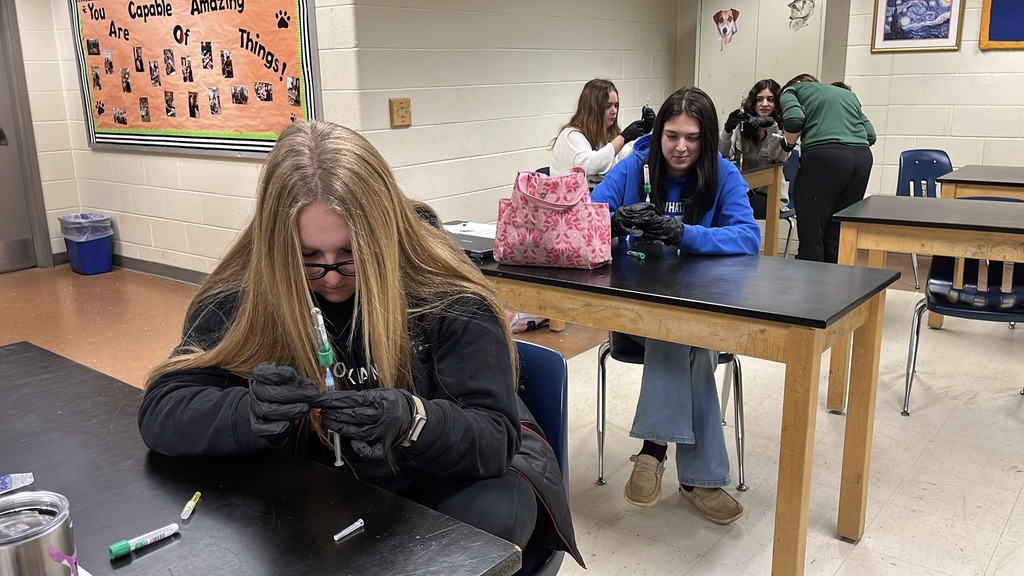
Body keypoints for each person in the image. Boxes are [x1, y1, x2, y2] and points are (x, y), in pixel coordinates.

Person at [137, 120, 584, 571]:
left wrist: (414, 420)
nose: (331, 276)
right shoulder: (251, 288)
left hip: (447, 476)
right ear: (277, 245)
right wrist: (249, 412)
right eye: (309, 257)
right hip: (323, 487)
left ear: (381, 234)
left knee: (483, 527)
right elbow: (163, 411)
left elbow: (491, 439)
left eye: (350, 254)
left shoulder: (446, 293)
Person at [591, 87, 760, 524]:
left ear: (706, 139)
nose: (681, 147)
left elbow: (748, 237)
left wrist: (685, 234)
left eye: (692, 137)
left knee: (685, 334)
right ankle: (699, 480)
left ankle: (653, 449)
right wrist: (612, 221)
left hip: (699, 316)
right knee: (681, 334)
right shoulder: (633, 168)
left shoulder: (724, 175)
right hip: (633, 317)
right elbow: (584, 217)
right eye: (671, 135)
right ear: (658, 132)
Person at [780, 73, 875, 263]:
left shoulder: (791, 91)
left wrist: (788, 145)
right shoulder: (846, 95)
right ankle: (836, 289)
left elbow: (794, 120)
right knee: (837, 231)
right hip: (862, 159)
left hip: (825, 159)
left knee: (811, 233)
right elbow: (870, 135)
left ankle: (811, 288)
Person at [550, 78, 655, 180]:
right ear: (593, 109)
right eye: (608, 106)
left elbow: (629, 160)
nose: (614, 111)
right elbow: (591, 166)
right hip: (569, 196)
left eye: (616, 105)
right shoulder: (572, 135)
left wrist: (646, 135)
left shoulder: (607, 133)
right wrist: (623, 138)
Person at [720, 79, 790, 216]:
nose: (764, 104)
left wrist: (771, 126)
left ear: (777, 104)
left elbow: (779, 156)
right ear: (753, 103)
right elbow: (724, 153)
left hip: (770, 194)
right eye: (759, 99)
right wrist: (727, 130)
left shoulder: (783, 128)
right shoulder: (743, 127)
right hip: (743, 189)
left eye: (770, 99)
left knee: (743, 208)